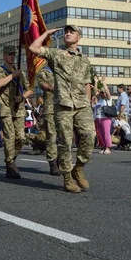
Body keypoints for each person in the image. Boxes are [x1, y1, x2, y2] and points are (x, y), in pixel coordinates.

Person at [29, 25, 95, 194]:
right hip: (63, 105)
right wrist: (46, 33)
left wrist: (88, 103)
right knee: (65, 142)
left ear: (78, 37)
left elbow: (87, 83)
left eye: (71, 32)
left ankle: (78, 168)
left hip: (82, 104)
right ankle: (67, 177)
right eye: (66, 31)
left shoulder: (84, 60)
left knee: (89, 136)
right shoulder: (56, 54)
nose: (67, 33)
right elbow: (33, 48)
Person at [0, 45, 33, 179]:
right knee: (10, 138)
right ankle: (10, 164)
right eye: (9, 54)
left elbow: (30, 89)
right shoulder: (0, 70)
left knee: (21, 138)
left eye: (13, 54)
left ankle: (11, 159)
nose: (12, 56)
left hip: (19, 109)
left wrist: (22, 97)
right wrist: (12, 76)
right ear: (4, 56)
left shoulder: (19, 72)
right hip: (6, 109)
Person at [37, 66, 59, 175]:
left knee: (65, 136)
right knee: (51, 136)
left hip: (64, 108)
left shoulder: (62, 69)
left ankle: (61, 160)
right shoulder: (44, 72)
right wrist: (57, 88)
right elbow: (43, 85)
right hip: (50, 108)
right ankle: (53, 163)